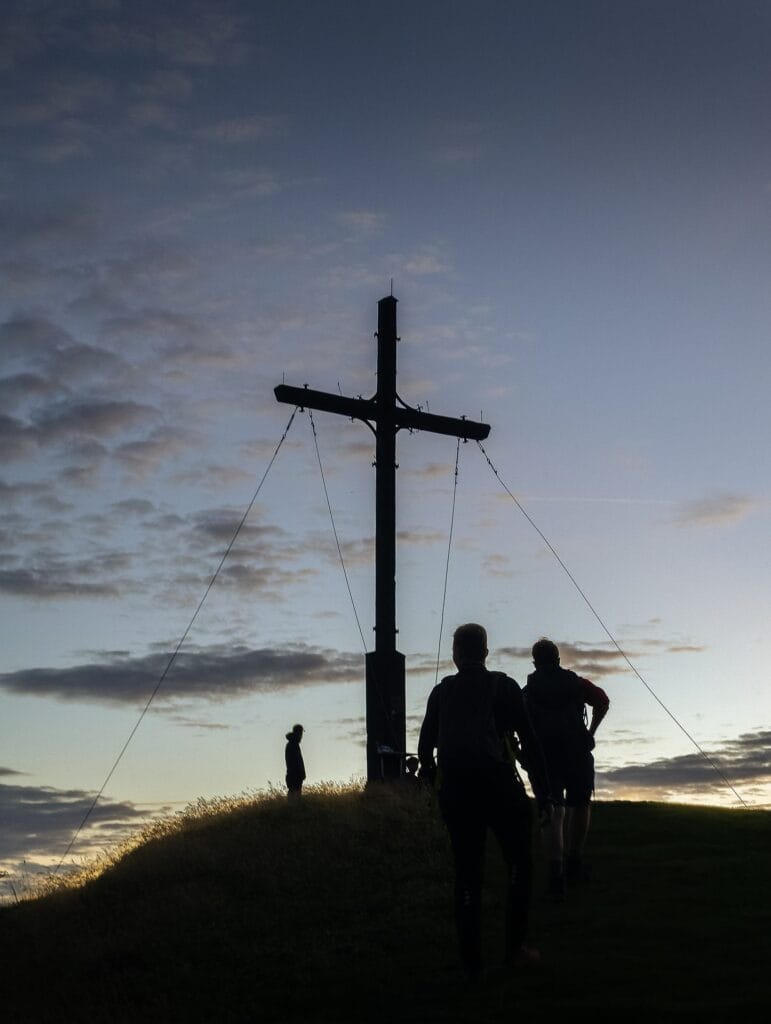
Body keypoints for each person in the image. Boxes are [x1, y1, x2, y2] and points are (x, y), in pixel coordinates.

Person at [418, 623, 553, 981]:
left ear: (456, 655)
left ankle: (472, 964)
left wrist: (435, 786)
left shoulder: (441, 691)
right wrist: (544, 793)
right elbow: (531, 741)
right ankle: (515, 950)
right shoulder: (504, 686)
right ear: (486, 652)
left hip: (458, 792)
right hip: (498, 787)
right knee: (519, 864)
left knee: (467, 873)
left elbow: (423, 750)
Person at [522, 638, 610, 896]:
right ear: (558, 660)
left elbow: (518, 721)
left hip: (544, 756)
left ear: (535, 662)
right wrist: (591, 732)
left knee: (552, 809)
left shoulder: (527, 690)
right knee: (581, 804)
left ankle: (555, 874)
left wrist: (522, 753)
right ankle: (574, 861)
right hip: (577, 751)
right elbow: (602, 701)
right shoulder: (577, 684)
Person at [284, 724, 306, 797]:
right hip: (294, 776)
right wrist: (301, 773)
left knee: (294, 795)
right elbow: (296, 762)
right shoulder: (293, 745)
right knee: (295, 796)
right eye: (301, 733)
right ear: (298, 733)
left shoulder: (293, 744)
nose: (301, 736)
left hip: (293, 775)